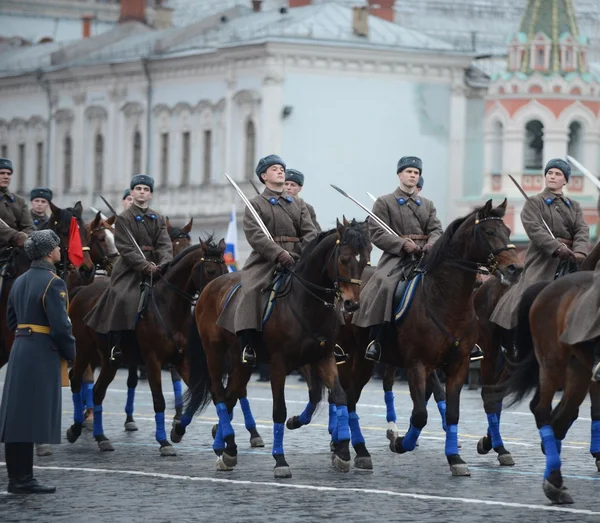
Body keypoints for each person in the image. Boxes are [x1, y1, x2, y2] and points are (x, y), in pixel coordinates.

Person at [218, 154, 317, 367]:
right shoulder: (255, 204)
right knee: (252, 290)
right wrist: (279, 254)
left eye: (282, 167)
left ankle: (329, 339)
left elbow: (310, 232)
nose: (280, 171)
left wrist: (300, 253)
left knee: (321, 287)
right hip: (266, 260)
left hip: (298, 258)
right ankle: (248, 342)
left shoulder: (298, 205)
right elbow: (256, 236)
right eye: (274, 168)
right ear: (264, 176)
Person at [0, 230, 75, 494]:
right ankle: (23, 479)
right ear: (47, 252)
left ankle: (19, 477)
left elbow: (11, 321)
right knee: (30, 415)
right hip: (41, 351)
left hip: (21, 348)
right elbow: (61, 326)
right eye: (56, 246)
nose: (60, 250)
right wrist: (71, 354)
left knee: (18, 416)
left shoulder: (19, 281)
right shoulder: (53, 282)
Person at [353, 156, 443, 362]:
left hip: (426, 255)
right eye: (409, 172)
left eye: (416, 173)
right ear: (399, 175)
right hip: (397, 257)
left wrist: (432, 244)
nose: (413, 175)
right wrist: (403, 245)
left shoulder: (427, 204)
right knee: (385, 284)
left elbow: (436, 228)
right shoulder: (385, 202)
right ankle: (377, 338)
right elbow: (377, 233)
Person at [490, 159, 589, 336]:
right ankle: (516, 334)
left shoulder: (574, 206)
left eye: (558, 174)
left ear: (565, 180)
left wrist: (580, 251)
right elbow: (535, 230)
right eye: (550, 173)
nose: (552, 176)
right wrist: (557, 248)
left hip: (572, 260)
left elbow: (582, 229)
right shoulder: (534, 203)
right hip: (543, 261)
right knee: (529, 292)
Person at [84, 175, 173, 360]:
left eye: (146, 189)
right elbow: (125, 248)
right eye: (138, 188)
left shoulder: (158, 218)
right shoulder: (123, 218)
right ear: (132, 192)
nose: (142, 192)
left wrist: (164, 263)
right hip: (130, 268)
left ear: (150, 195)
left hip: (157, 265)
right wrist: (144, 266)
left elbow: (165, 244)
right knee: (123, 295)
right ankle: (116, 343)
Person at [0, 158, 35, 251]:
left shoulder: (19, 201)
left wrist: (25, 237)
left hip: (17, 250)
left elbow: (29, 226)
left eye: (8, 174)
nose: (6, 176)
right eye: (2, 173)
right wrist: (16, 237)